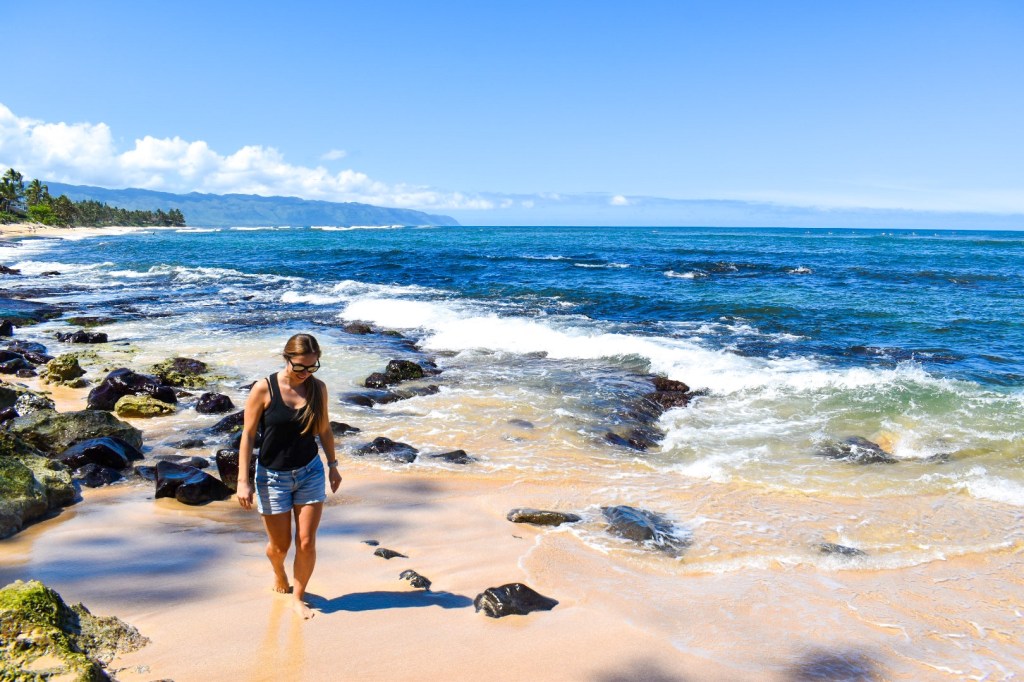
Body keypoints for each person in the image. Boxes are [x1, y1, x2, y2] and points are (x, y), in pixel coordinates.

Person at [236, 333, 342, 619]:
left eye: (312, 367)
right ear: (287, 359)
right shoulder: (264, 388)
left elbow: (324, 430)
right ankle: (279, 572)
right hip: (272, 477)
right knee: (280, 547)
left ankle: (298, 596)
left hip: (310, 471)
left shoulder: (318, 389)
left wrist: (332, 465)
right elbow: (247, 435)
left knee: (306, 541)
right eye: (300, 367)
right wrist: (242, 481)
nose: (305, 373)